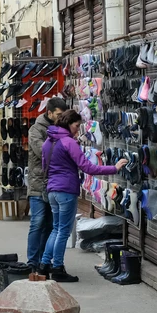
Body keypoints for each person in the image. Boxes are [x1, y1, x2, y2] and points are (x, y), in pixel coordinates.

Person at [39, 109, 125, 281]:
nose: (78, 130)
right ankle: (58, 268)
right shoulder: (69, 142)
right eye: (76, 126)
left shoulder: (48, 142)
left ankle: (43, 266)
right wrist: (113, 168)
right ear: (68, 124)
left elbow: (44, 166)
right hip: (66, 190)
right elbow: (88, 167)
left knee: (56, 229)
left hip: (52, 190)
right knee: (63, 231)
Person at [26, 97, 67, 272]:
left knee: (51, 224)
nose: (61, 117)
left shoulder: (62, 129)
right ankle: (32, 262)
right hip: (38, 183)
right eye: (58, 114)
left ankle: (45, 261)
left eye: (63, 115)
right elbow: (42, 150)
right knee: (37, 222)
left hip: (55, 183)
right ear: (49, 113)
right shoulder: (36, 129)